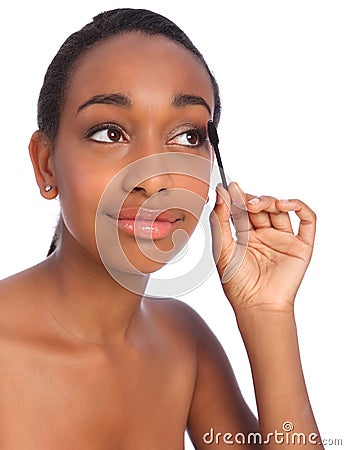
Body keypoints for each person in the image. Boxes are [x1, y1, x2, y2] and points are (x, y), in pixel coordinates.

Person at [0, 8, 323, 449]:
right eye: (109, 133)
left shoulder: (184, 343)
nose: (154, 179)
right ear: (45, 164)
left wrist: (267, 314)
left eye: (188, 136)